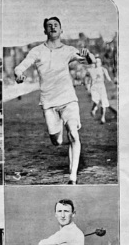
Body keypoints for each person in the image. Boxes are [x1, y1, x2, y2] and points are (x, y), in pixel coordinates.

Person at [13, 16, 95, 184]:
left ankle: (73, 177)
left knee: (73, 134)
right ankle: (59, 134)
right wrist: (18, 74)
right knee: (57, 141)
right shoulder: (37, 51)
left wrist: (89, 55)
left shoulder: (68, 50)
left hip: (68, 98)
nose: (52, 27)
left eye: (55, 25)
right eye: (49, 26)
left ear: (61, 30)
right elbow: (20, 66)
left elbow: (89, 61)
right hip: (49, 102)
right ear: (45, 31)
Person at [88, 57, 114, 123]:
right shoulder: (92, 70)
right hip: (95, 87)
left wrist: (111, 81)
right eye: (96, 62)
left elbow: (108, 77)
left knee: (103, 102)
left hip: (101, 86)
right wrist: (89, 88)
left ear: (100, 63)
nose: (97, 63)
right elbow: (91, 80)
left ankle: (103, 118)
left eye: (98, 61)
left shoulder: (103, 69)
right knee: (96, 100)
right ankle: (93, 109)